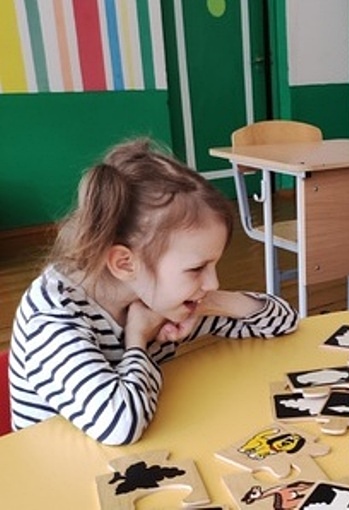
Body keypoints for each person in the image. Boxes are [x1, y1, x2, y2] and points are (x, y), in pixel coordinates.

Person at [9, 139, 299, 445]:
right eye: (197, 268)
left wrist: (212, 303)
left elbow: (284, 322)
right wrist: (138, 337)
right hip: (59, 467)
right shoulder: (52, 318)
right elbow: (120, 426)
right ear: (124, 263)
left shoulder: (157, 294)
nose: (212, 282)